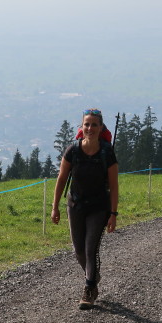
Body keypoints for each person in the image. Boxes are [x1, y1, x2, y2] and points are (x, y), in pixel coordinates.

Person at [51, 108, 119, 310]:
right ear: (82, 127)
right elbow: (61, 179)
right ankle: (94, 275)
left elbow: (114, 186)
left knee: (90, 249)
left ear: (100, 128)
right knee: (78, 250)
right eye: (86, 124)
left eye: (94, 124)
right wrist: (55, 207)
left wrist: (113, 214)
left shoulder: (107, 152)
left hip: (99, 207)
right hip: (75, 205)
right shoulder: (72, 150)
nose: (90, 128)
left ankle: (89, 288)